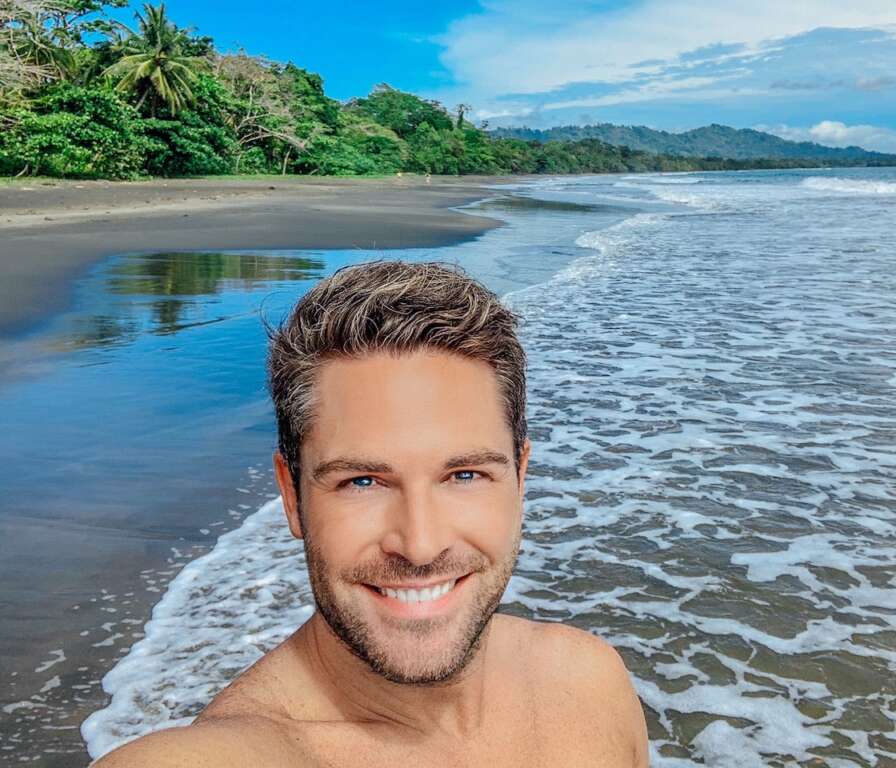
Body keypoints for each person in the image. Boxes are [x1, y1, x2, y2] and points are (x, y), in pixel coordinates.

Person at [92, 260, 650, 767]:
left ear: (520, 479)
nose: (420, 545)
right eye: (362, 481)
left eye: (464, 475)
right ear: (291, 495)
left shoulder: (591, 682)